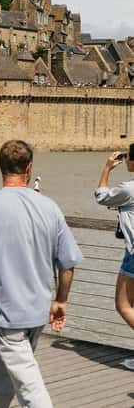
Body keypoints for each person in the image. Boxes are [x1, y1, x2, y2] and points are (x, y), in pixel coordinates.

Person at [0, 139, 82, 407]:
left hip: (8, 313)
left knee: (29, 386)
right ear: (29, 168)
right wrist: (61, 301)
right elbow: (68, 263)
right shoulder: (50, 207)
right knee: (6, 373)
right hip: (37, 311)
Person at [94, 145, 134, 370]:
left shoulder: (128, 189)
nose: (126, 161)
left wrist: (108, 167)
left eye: (128, 157)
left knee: (123, 305)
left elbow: (101, 196)